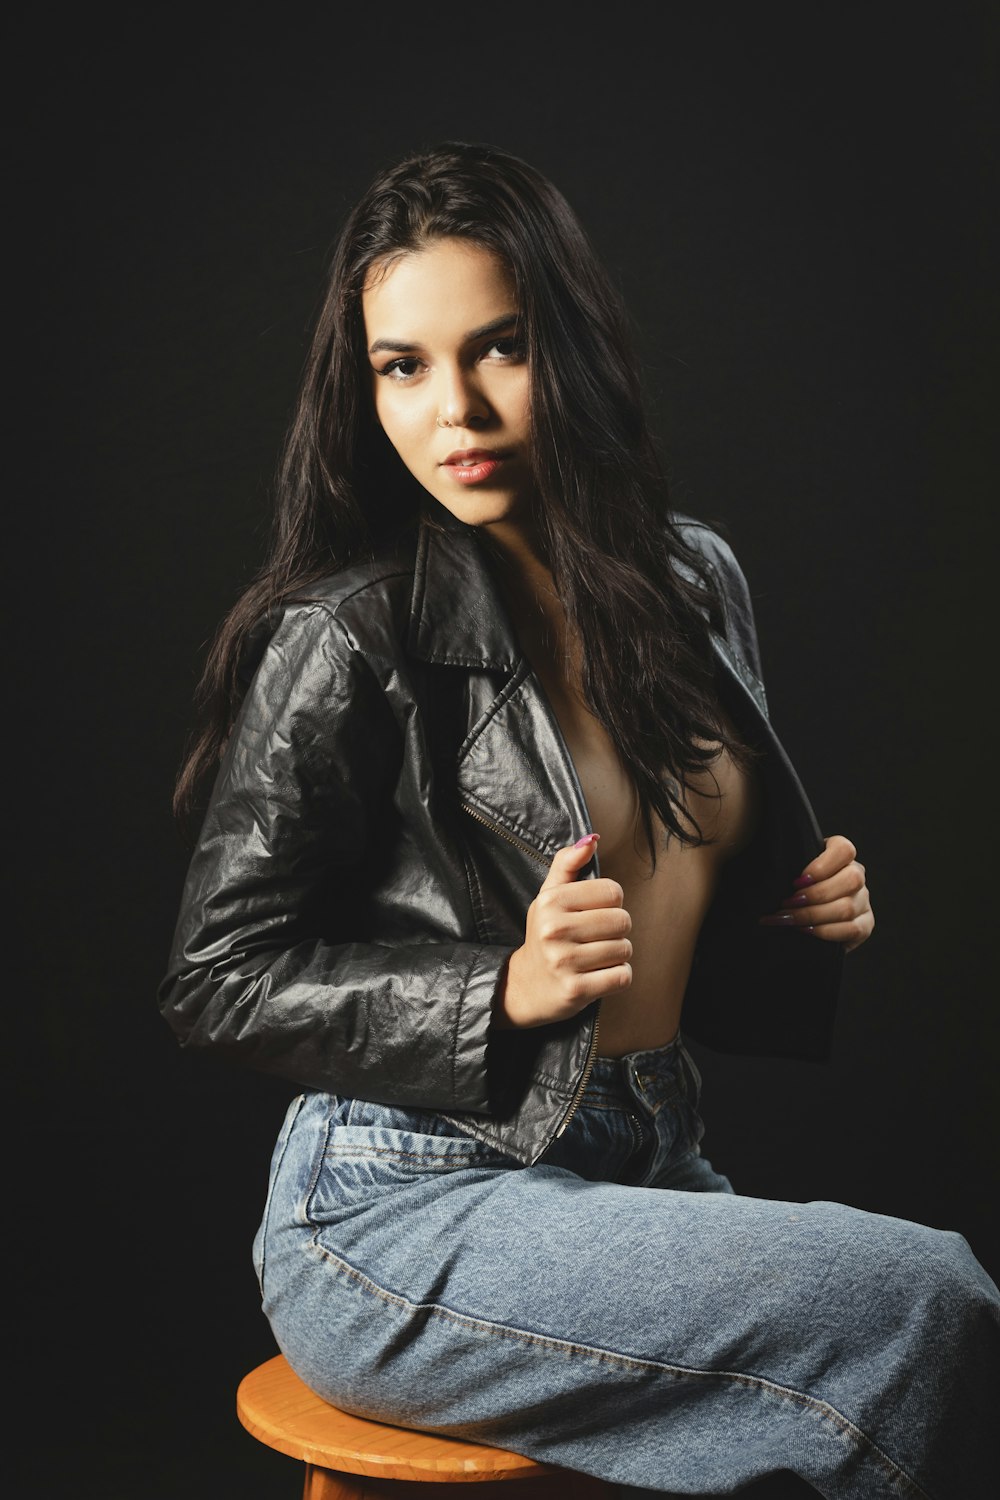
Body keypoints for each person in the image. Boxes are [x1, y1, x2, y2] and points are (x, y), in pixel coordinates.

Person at [158, 141, 997, 1498]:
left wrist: (797, 920)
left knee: (906, 1359)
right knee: (924, 1298)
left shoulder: (697, 584)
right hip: (398, 1202)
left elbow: (676, 954)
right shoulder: (345, 632)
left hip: (646, 1152)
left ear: (575, 343)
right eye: (403, 365)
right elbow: (216, 979)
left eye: (498, 348)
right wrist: (506, 986)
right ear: (363, 382)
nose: (457, 412)